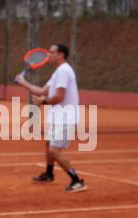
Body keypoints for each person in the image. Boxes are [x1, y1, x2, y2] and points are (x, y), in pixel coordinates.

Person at [15, 43, 87, 193]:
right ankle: (49, 174)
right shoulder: (57, 73)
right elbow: (42, 91)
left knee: (54, 151)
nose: (49, 54)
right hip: (57, 117)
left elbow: (59, 96)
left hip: (65, 117)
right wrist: (23, 83)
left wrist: (43, 102)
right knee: (49, 145)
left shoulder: (64, 71)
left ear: (61, 55)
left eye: (52, 52)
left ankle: (77, 180)